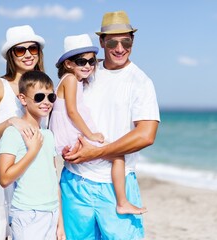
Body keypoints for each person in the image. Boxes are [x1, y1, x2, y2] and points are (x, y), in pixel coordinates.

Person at [60, 10, 160, 239]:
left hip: (116, 186)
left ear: (132, 41)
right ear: (102, 41)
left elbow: (146, 135)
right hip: (75, 183)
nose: (119, 47)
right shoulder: (85, 72)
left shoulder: (141, 82)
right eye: (113, 41)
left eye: (126, 41)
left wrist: (95, 153)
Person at [49, 33, 147, 218]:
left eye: (91, 61)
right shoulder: (70, 80)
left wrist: (99, 63)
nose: (87, 66)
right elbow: (72, 111)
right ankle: (122, 203)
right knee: (117, 155)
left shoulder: (75, 79)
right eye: (81, 61)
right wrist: (91, 134)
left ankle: (121, 202)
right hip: (71, 135)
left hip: (68, 134)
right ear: (68, 64)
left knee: (115, 154)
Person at [0, 25, 45, 239]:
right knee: (0, 232)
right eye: (19, 50)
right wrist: (11, 122)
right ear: (10, 55)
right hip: (2, 165)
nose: (27, 55)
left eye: (32, 49)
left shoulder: (43, 86)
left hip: (33, 166)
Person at [0, 70, 65, 240]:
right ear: (22, 99)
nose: (46, 102)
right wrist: (32, 151)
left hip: (51, 213)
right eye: (39, 97)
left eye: (51, 97)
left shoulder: (48, 135)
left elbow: (53, 178)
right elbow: (4, 179)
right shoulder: (13, 133)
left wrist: (60, 224)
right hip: (28, 214)